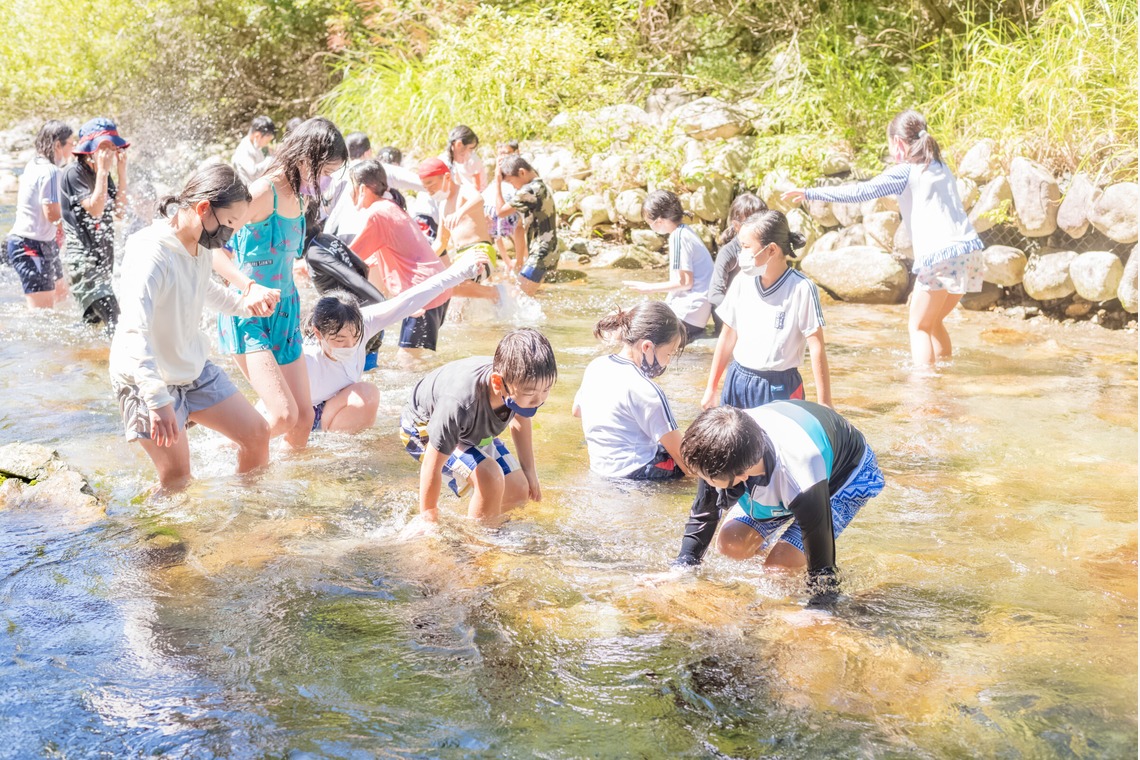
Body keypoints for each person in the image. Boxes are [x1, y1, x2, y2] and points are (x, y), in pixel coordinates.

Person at [109, 163, 279, 491]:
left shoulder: (200, 244)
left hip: (192, 367)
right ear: (203, 209)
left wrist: (246, 304)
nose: (228, 236)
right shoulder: (151, 253)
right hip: (146, 378)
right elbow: (134, 330)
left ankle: (249, 520)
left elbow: (205, 289)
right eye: (229, 225)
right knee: (178, 481)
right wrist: (157, 399)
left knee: (257, 434)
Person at [784, 110, 984, 368]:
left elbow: (861, 191)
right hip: (969, 252)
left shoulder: (905, 172)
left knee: (919, 326)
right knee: (933, 323)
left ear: (899, 144)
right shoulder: (940, 166)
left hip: (940, 255)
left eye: (890, 145)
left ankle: (925, 389)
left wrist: (811, 192)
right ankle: (943, 376)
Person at [214, 116, 348, 450]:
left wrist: (296, 265)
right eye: (327, 172)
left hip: (286, 310)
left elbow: (281, 252)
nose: (328, 181)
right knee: (283, 415)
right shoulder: (261, 192)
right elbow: (212, 250)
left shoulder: (303, 198)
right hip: (249, 310)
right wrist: (248, 287)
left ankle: (290, 491)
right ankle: (225, 459)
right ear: (306, 160)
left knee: (303, 420)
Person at [673, 402, 885, 604]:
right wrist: (682, 569)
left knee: (779, 568)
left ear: (742, 473)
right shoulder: (723, 441)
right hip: (788, 459)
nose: (700, 479)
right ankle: (772, 559)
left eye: (704, 477)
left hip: (843, 476)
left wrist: (820, 607)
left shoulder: (799, 475)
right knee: (731, 544)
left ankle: (783, 569)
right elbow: (704, 512)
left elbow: (822, 566)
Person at [304, 248, 490, 434]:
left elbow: (410, 298)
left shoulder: (364, 322)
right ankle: (327, 442)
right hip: (307, 417)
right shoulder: (306, 357)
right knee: (364, 395)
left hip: (335, 403)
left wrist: (460, 271)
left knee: (367, 394)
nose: (350, 345)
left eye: (356, 337)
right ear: (319, 334)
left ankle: (340, 438)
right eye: (340, 340)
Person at [400, 327, 557, 528]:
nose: (539, 400)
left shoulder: (518, 382)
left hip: (468, 427)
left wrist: (530, 472)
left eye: (547, 389)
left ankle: (494, 530)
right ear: (497, 383)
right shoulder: (460, 402)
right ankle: (475, 545)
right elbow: (432, 463)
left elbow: (521, 417)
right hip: (421, 427)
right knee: (489, 476)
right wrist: (429, 518)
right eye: (530, 393)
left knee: (519, 487)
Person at [701, 210, 831, 411]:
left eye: (746, 247)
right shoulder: (742, 281)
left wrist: (825, 404)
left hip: (780, 386)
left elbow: (816, 348)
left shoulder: (802, 288)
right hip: (738, 379)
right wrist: (711, 387)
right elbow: (727, 337)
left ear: (771, 250)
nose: (740, 254)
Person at [348, 160, 453, 363]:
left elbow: (348, 258)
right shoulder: (389, 206)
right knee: (413, 358)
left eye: (350, 185)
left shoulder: (377, 213)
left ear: (362, 188)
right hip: (434, 288)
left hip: (424, 294)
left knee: (407, 363)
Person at [572, 302, 689, 480]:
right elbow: (683, 459)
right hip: (636, 473)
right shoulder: (647, 390)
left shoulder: (596, 366)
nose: (668, 362)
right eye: (669, 354)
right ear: (647, 347)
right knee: (695, 453)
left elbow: (577, 411)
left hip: (601, 468)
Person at [60, 117, 129, 331]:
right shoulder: (74, 173)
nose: (108, 151)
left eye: (112, 145)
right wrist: (103, 171)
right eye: (103, 146)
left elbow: (119, 212)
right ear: (89, 148)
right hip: (83, 262)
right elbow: (96, 209)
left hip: (102, 261)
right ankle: (123, 364)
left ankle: (87, 361)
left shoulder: (103, 175)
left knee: (95, 326)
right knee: (115, 321)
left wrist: (122, 170)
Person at [626, 190, 714, 342]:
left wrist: (649, 288)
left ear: (659, 220)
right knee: (632, 315)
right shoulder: (686, 231)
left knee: (629, 329)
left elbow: (685, 283)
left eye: (649, 223)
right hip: (696, 313)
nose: (650, 227)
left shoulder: (678, 237)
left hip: (688, 314)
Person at [6, 120, 73, 308]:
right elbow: (51, 214)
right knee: (42, 313)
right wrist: (75, 231)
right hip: (29, 245)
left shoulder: (34, 164)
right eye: (71, 143)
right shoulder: (51, 171)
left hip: (44, 243)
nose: (73, 147)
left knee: (61, 295)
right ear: (58, 145)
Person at [417, 158, 500, 303]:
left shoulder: (463, 190)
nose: (430, 191)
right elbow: (440, 242)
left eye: (431, 185)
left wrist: (459, 213)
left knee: (452, 286)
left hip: (480, 251)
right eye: (426, 188)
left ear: (447, 177)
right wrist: (421, 262)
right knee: (455, 304)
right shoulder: (442, 205)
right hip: (460, 257)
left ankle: (496, 293)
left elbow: (479, 199)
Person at [491, 155, 558, 297]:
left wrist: (497, 182)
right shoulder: (538, 185)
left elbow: (500, 211)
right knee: (528, 298)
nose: (514, 186)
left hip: (541, 252)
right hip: (547, 250)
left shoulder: (530, 190)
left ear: (522, 172)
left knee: (517, 297)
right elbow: (519, 227)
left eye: (511, 182)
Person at [707, 193, 767, 319]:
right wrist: (741, 311)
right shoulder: (728, 253)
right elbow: (714, 294)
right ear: (737, 226)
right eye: (753, 223)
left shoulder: (766, 248)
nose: (760, 227)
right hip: (731, 317)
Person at [482, 141, 527, 271]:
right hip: (492, 204)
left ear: (516, 152)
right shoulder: (507, 167)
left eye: (506, 153)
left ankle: (514, 261)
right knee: (516, 228)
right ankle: (517, 261)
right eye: (500, 153)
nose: (503, 156)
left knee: (500, 231)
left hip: (493, 204)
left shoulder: (512, 167)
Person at [231, 116, 276, 186]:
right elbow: (254, 173)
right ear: (257, 135)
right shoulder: (244, 149)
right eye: (267, 141)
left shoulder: (255, 146)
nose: (267, 144)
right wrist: (271, 158)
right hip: (249, 192)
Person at [441, 125, 485, 191]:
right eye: (470, 149)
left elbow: (477, 187)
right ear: (459, 144)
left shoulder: (471, 159)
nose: (470, 153)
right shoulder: (444, 162)